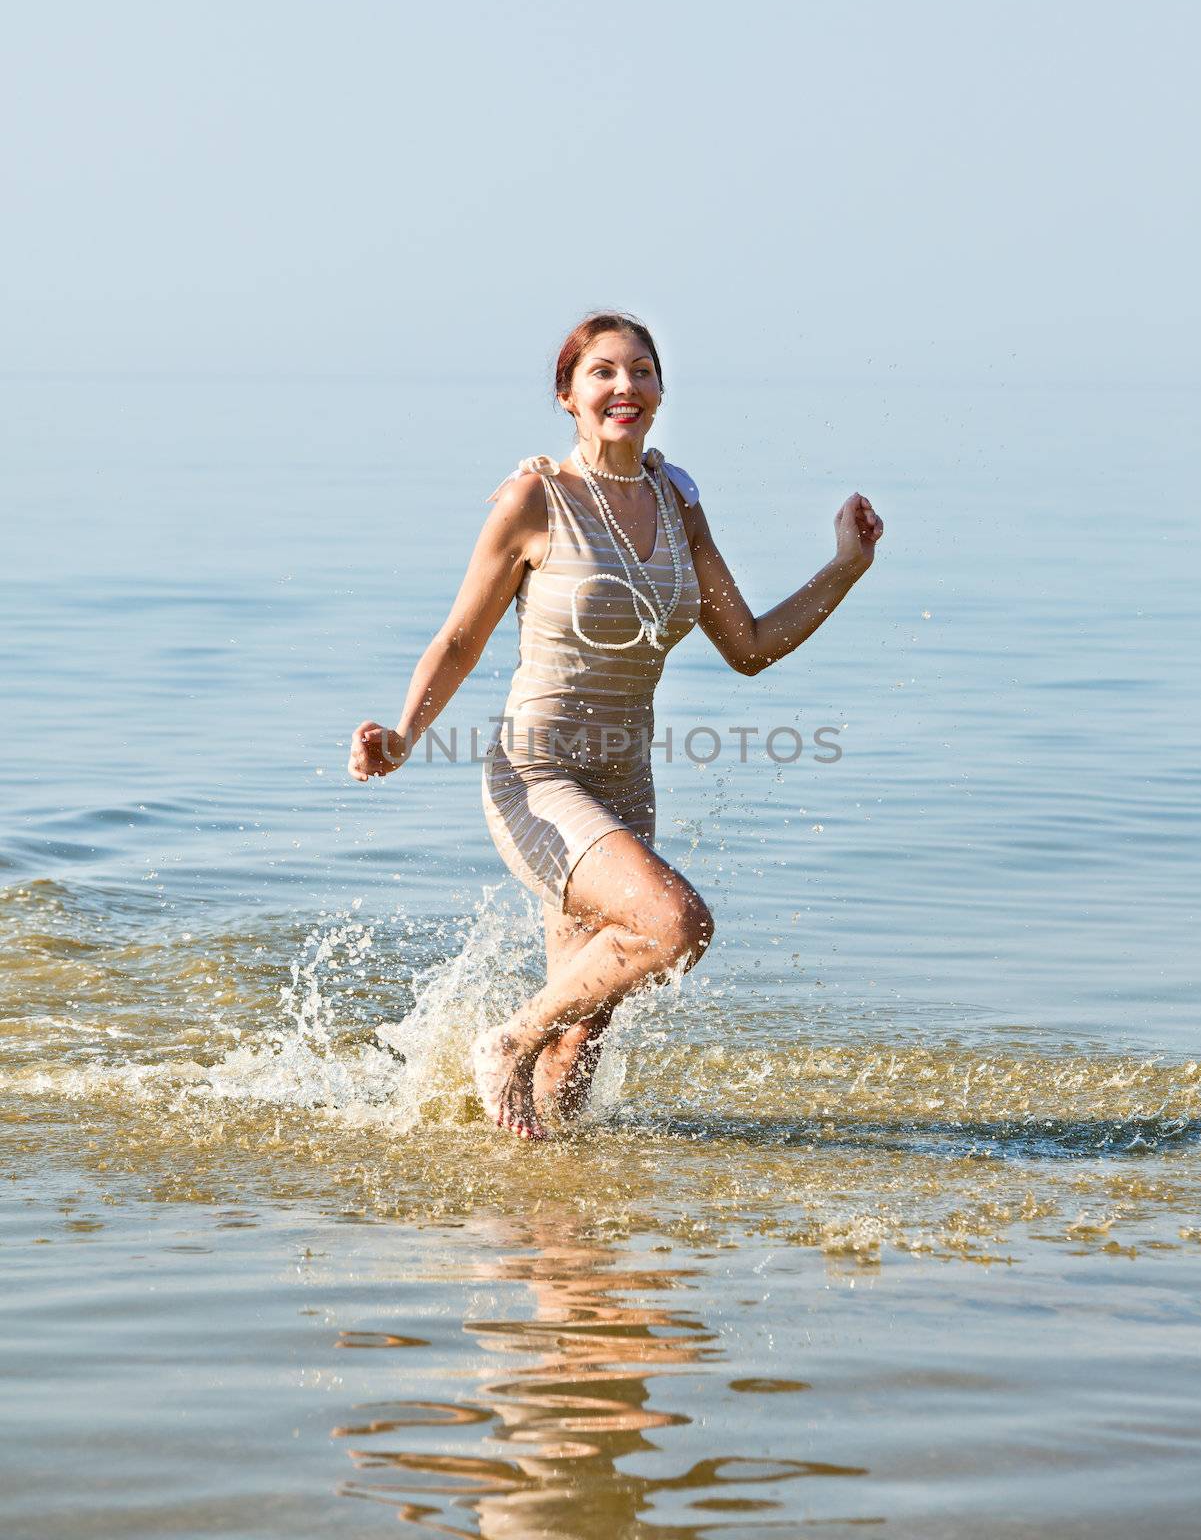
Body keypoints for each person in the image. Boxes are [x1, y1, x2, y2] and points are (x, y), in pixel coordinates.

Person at [348, 312, 883, 1141]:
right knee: (675, 925)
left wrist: (845, 566)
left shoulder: (677, 502)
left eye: (641, 371)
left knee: (583, 1035)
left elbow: (747, 646)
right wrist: (404, 738)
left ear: (661, 391)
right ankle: (504, 1043)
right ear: (567, 395)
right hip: (538, 777)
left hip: (625, 784)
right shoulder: (536, 498)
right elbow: (460, 638)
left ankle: (553, 1221)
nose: (623, 387)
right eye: (601, 372)